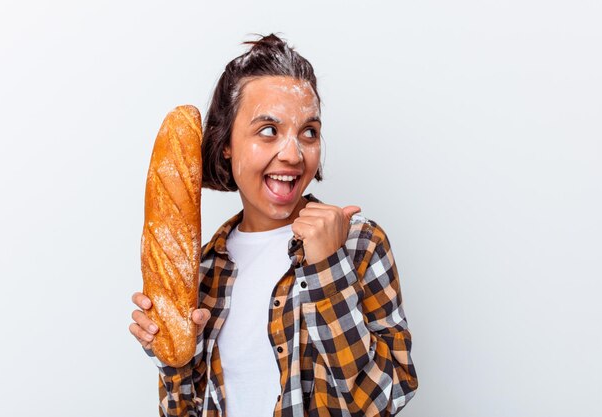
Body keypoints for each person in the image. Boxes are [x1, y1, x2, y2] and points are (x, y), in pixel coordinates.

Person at [129, 33, 418, 417]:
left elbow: (385, 401)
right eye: (269, 130)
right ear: (227, 142)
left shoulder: (358, 242)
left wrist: (328, 270)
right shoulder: (202, 269)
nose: (293, 154)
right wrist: (174, 359)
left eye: (309, 132)